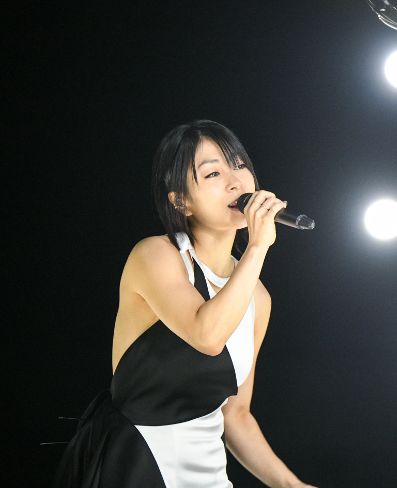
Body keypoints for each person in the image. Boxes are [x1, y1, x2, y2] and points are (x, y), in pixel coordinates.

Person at [53, 120, 316, 488]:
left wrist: (292, 485)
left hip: (209, 476)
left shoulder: (258, 297)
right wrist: (258, 246)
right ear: (181, 201)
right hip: (137, 466)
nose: (235, 182)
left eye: (240, 165)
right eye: (213, 173)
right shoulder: (155, 256)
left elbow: (236, 416)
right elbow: (207, 336)